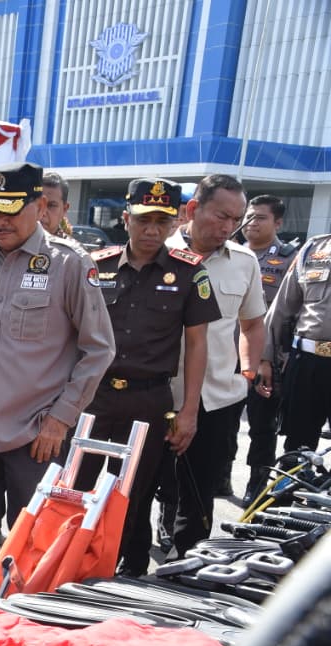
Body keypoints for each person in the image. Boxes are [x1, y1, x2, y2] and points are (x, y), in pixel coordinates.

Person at [0, 162, 115, 599]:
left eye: (9, 212)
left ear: (38, 206)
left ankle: (28, 632)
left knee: (39, 543)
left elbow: (99, 349)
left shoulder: (68, 264)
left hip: (36, 435)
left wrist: (60, 420)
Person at [84, 180, 219, 575]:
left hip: (149, 400)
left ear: (175, 220)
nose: (152, 230)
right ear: (126, 219)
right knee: (81, 484)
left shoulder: (190, 271)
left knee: (135, 491)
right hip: (96, 396)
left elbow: (196, 345)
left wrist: (189, 410)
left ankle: (128, 570)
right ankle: (80, 566)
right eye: (143, 220)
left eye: (162, 221)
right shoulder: (96, 265)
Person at [164, 175, 264, 557]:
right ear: (192, 210)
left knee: (200, 492)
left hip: (218, 398)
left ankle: (189, 564)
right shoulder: (158, 253)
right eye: (221, 216)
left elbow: (253, 324)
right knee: (147, 487)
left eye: (235, 219)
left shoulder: (243, 262)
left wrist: (249, 369)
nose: (228, 227)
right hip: (160, 393)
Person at [240, 195, 297, 505]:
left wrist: (270, 360)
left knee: (261, 427)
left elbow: (286, 316)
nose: (252, 223)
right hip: (225, 357)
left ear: (278, 223)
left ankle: (256, 481)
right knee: (221, 426)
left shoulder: (290, 259)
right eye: (249, 216)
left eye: (261, 217)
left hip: (265, 360)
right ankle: (220, 477)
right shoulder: (232, 254)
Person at [260, 232, 331, 456]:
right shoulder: (314, 248)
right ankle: (292, 490)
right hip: (308, 362)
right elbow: (282, 306)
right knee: (297, 443)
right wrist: (266, 358)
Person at [40, 171, 73, 238]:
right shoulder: (15, 244)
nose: (42, 213)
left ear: (64, 209)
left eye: (51, 205)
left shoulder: (71, 248)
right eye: (39, 204)